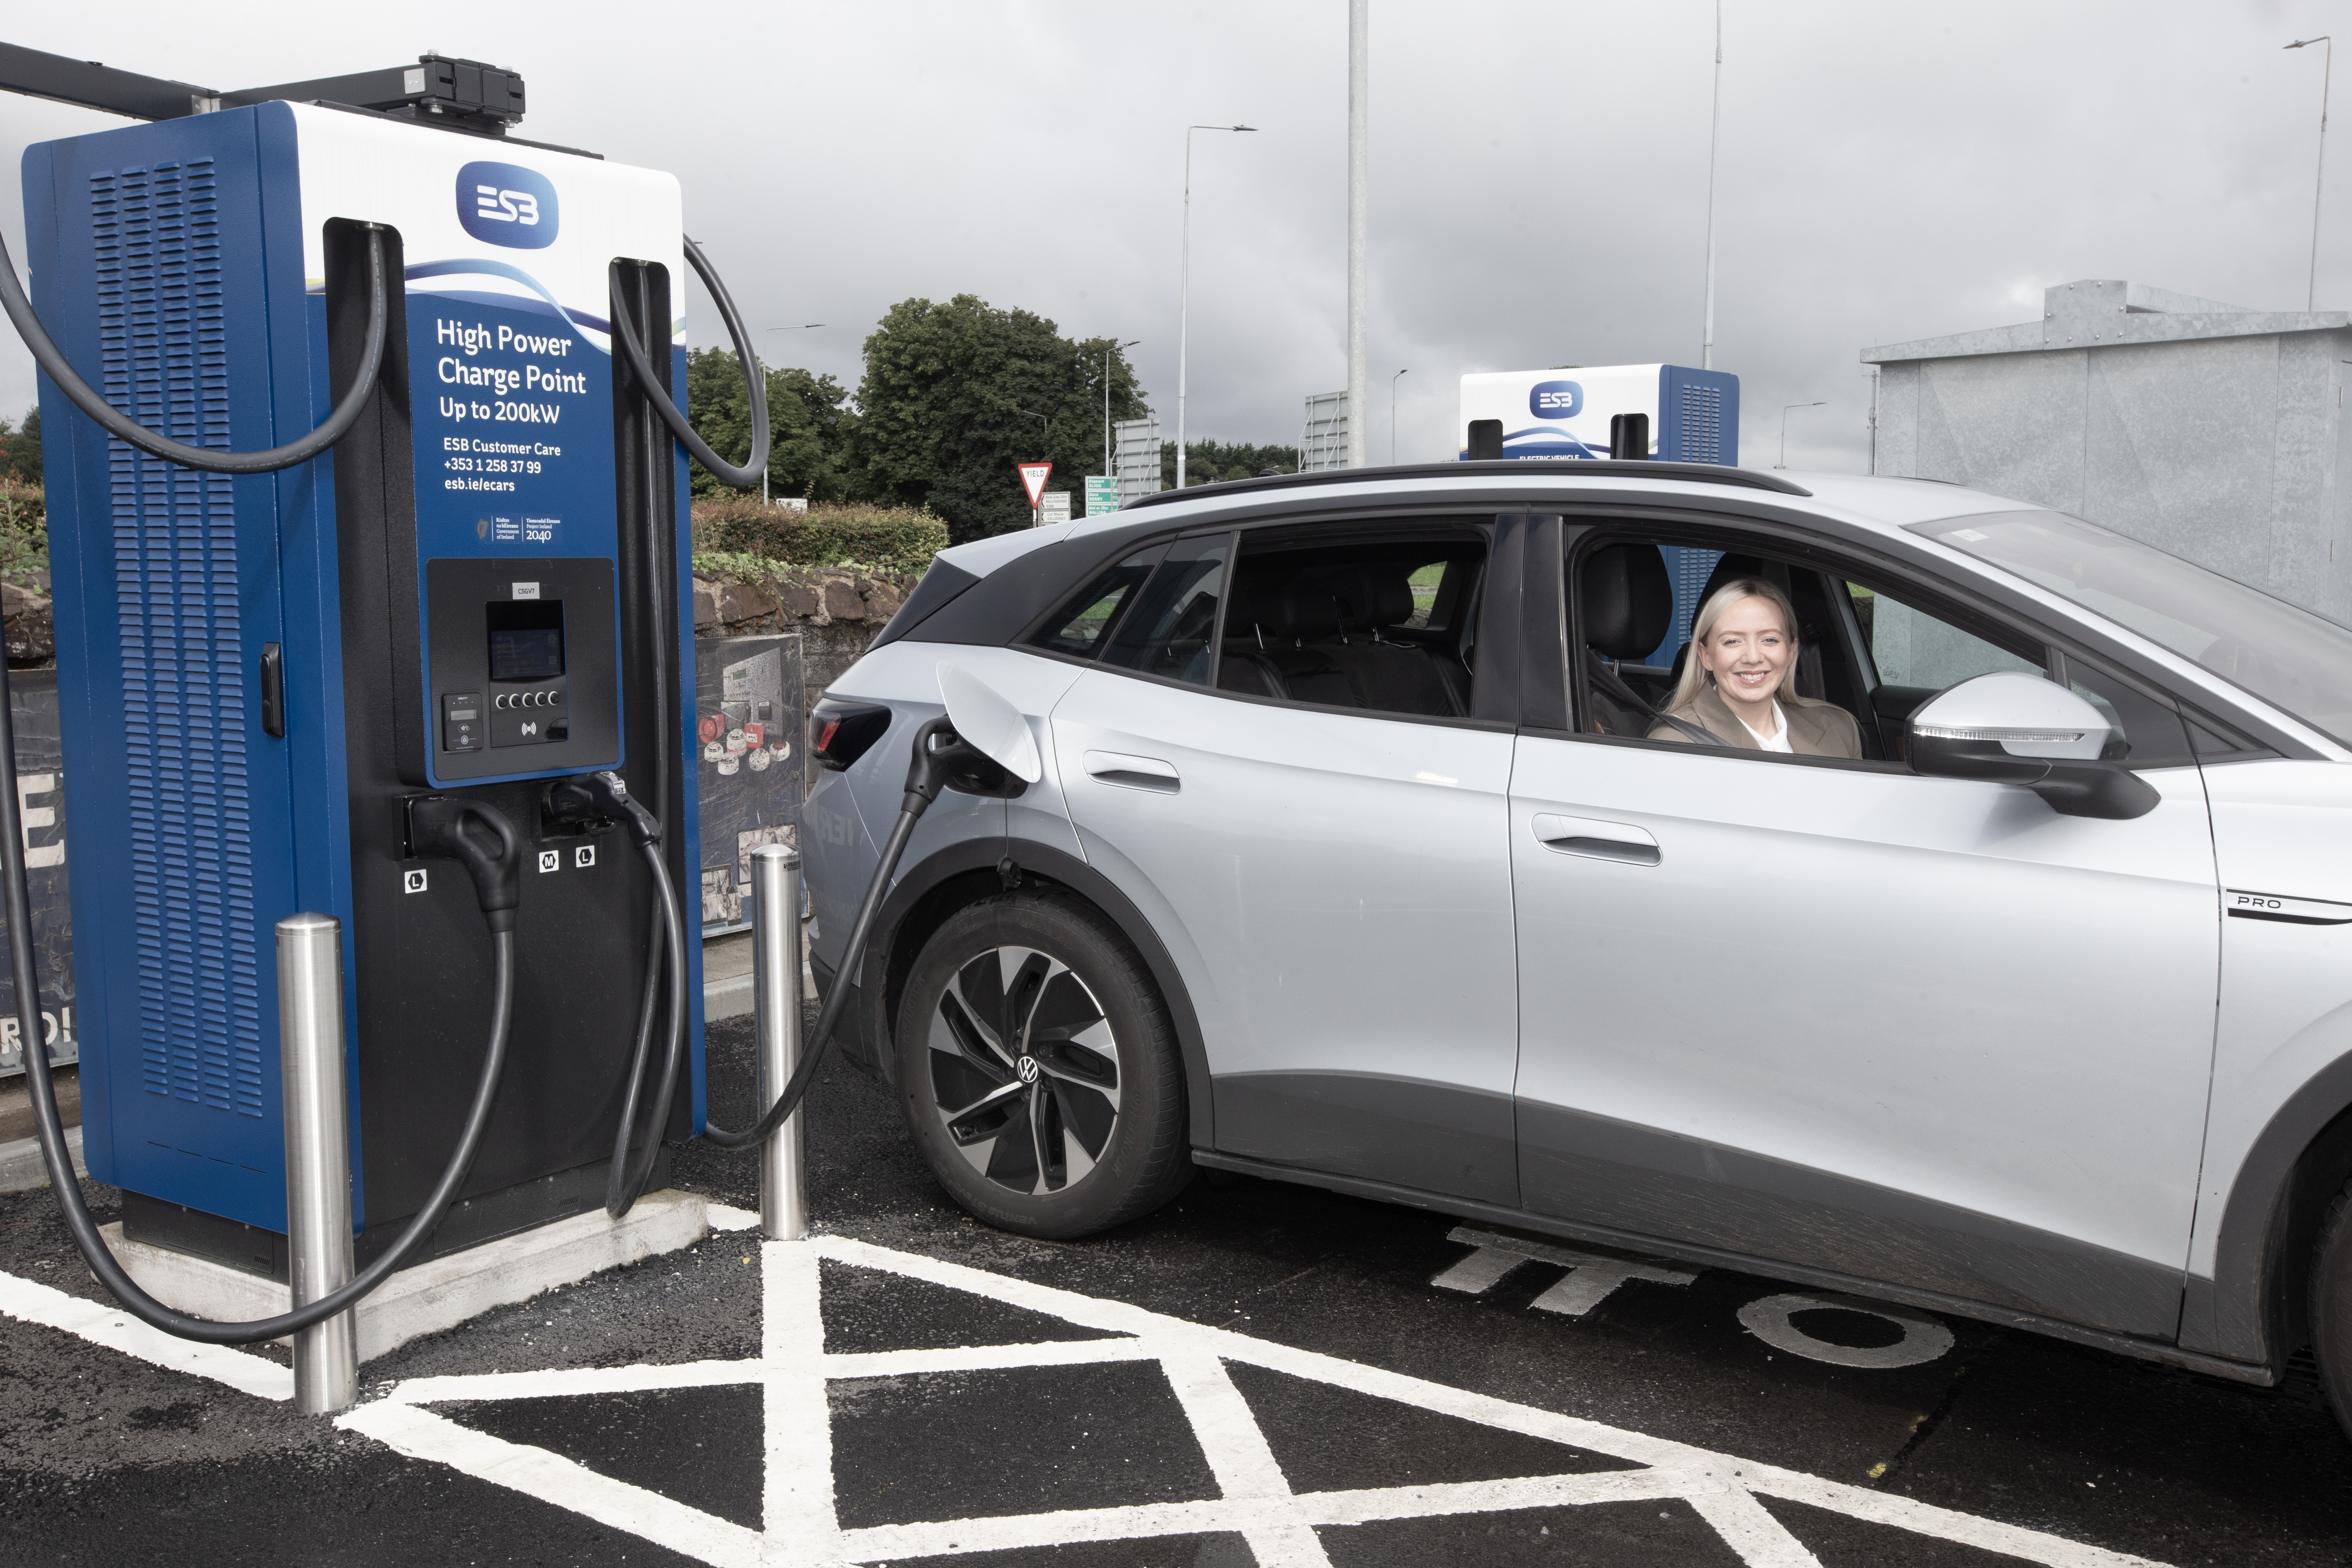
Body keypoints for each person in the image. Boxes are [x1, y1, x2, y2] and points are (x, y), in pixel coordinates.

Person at [1647, 578, 1862, 757]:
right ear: (1706, 656)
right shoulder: (1675, 745)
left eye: (1770, 640)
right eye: (1732, 641)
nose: (1753, 657)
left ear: (1791, 651)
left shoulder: (1839, 727)